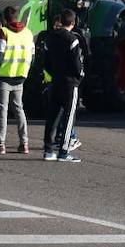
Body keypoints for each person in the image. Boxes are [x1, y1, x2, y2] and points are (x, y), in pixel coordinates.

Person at [0, 6, 33, 154]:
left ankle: (0, 144)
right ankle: (24, 143)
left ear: (4, 19)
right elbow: (32, 55)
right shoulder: (28, 32)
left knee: (2, 110)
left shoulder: (4, 32)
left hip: (5, 75)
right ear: (18, 16)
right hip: (20, 76)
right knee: (19, 109)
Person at [41, 9, 83, 163]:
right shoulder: (72, 39)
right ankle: (64, 151)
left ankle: (48, 150)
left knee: (52, 117)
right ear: (72, 23)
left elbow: (45, 62)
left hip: (55, 81)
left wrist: (54, 74)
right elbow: (76, 64)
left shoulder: (50, 37)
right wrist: (79, 76)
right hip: (70, 83)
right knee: (69, 117)